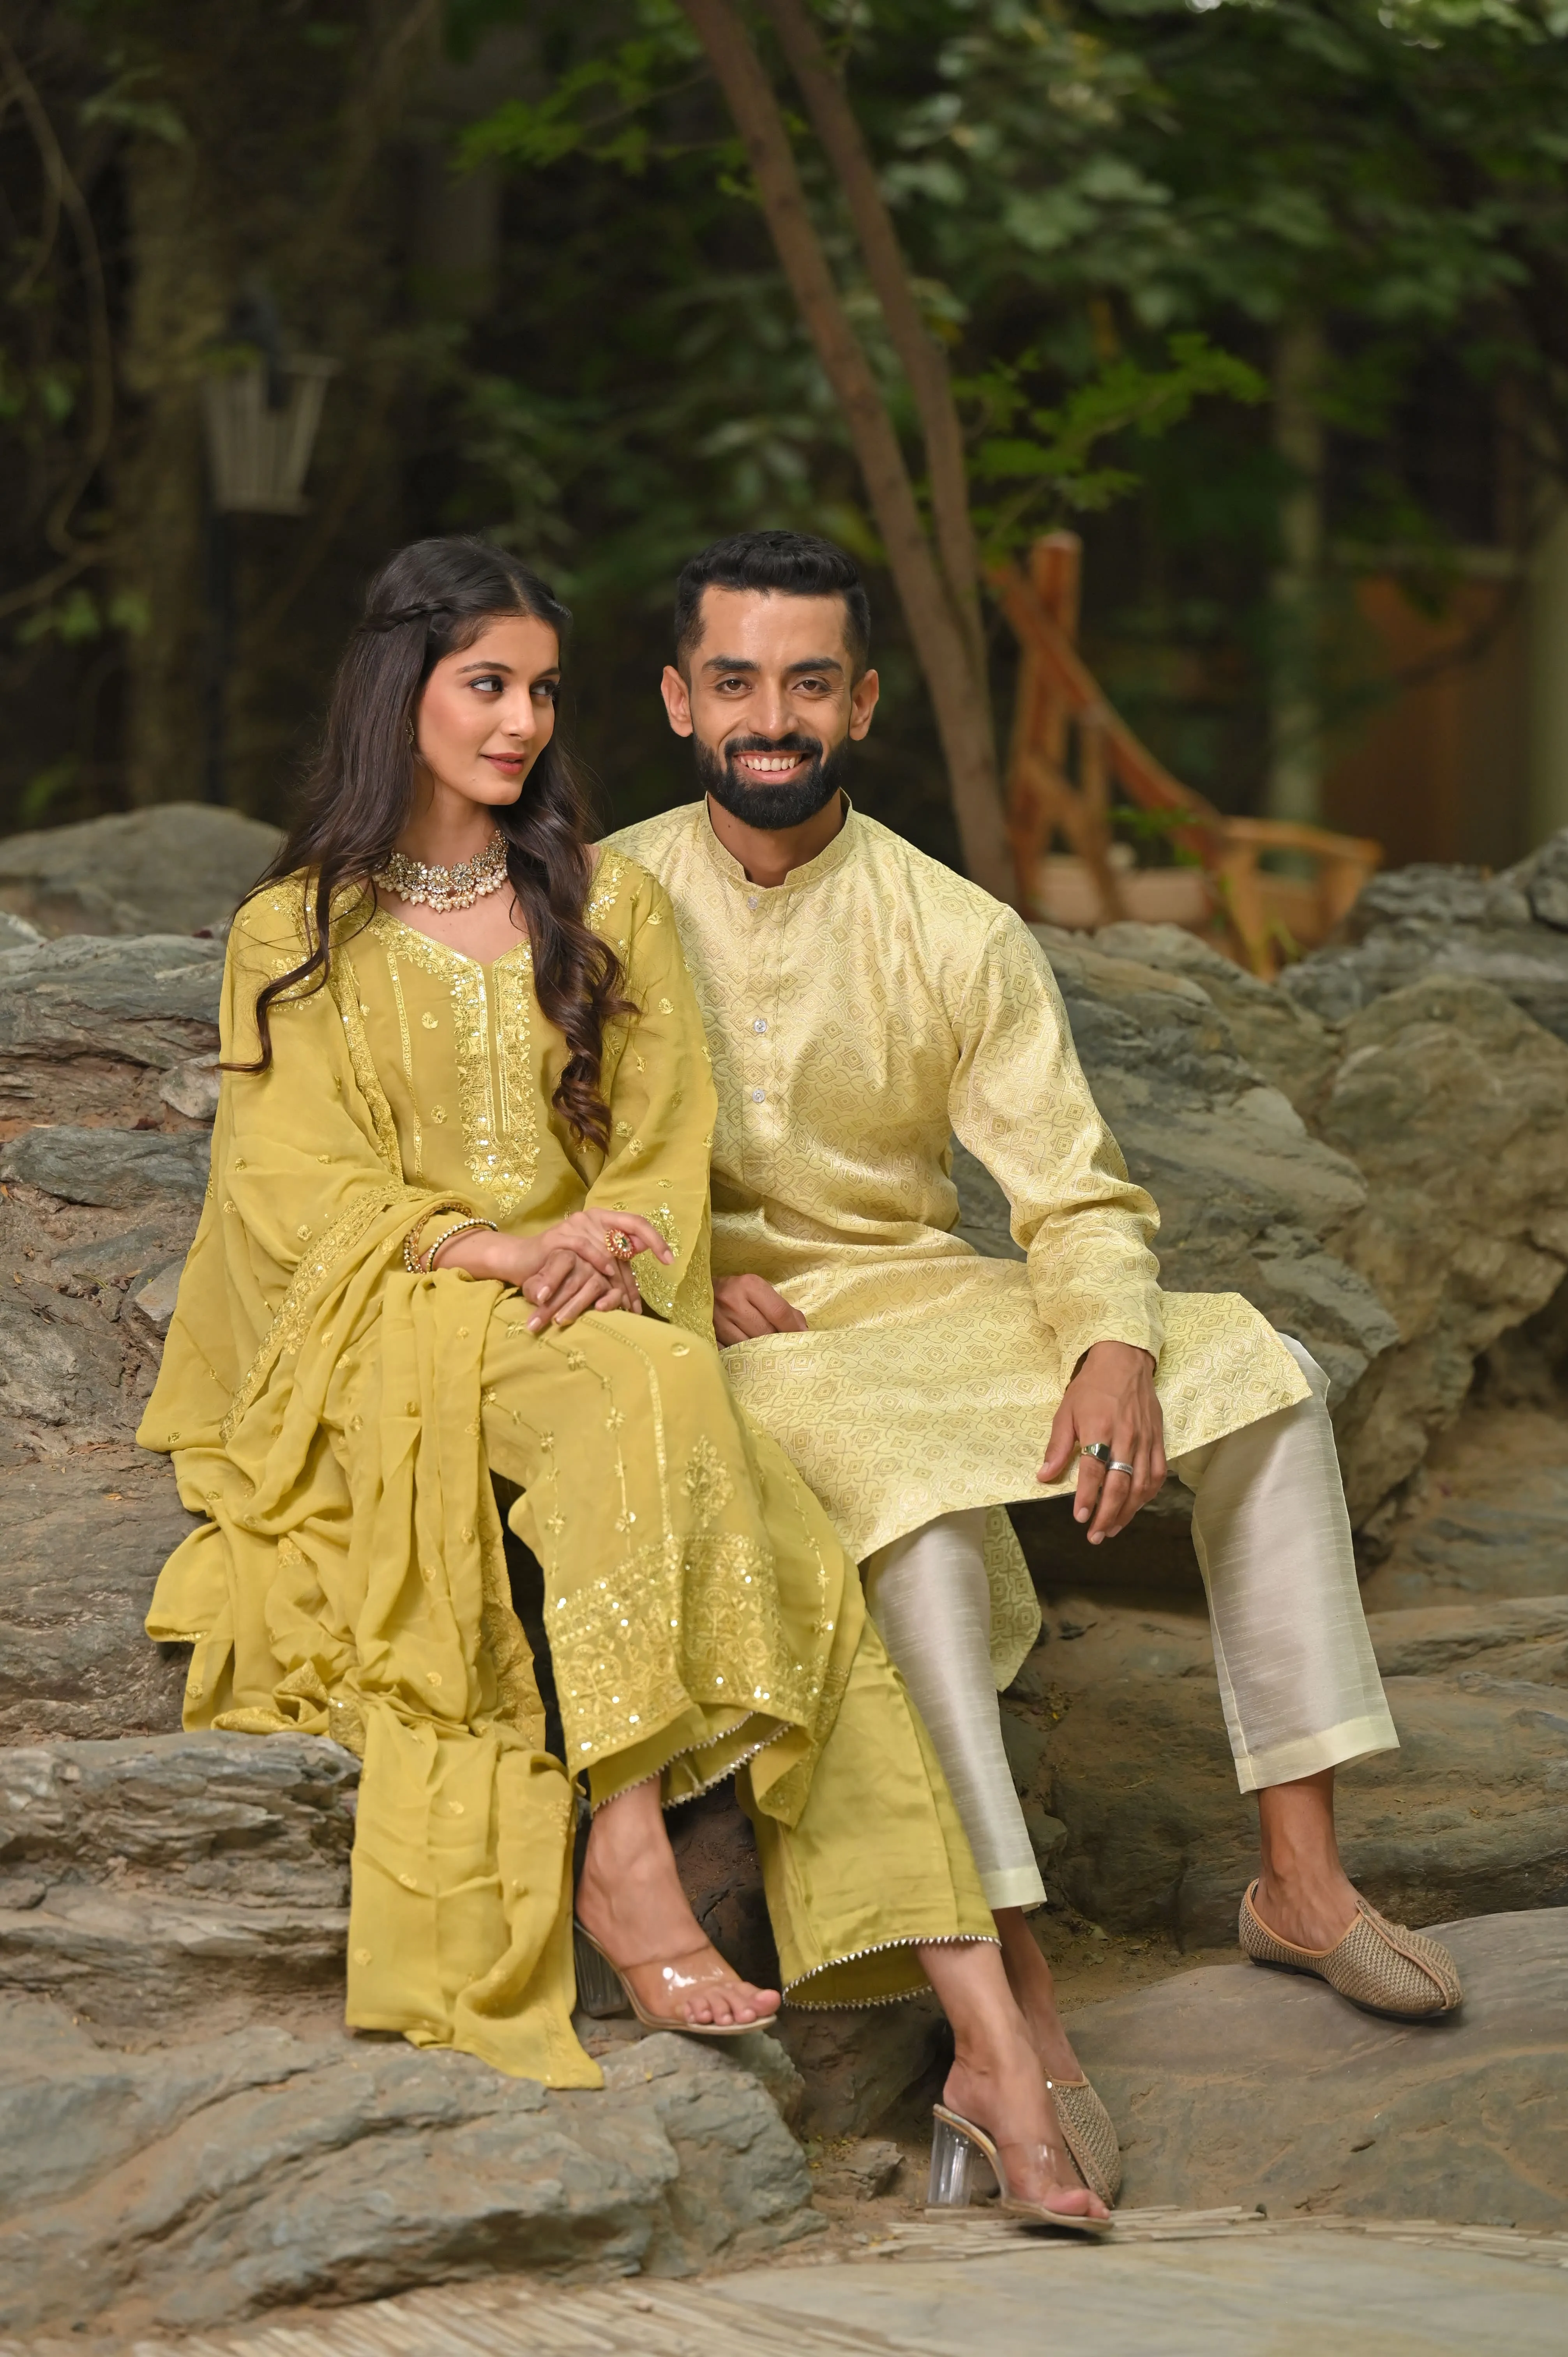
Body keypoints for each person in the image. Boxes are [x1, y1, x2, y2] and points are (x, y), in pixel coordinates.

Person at [139, 534, 1109, 2230]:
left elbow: (664, 1152)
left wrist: (607, 1240)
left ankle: (992, 2051)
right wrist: (501, 1252)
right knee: (657, 1401)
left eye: (540, 692)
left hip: (597, 1307)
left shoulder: (603, 898)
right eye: (486, 686)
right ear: (405, 694)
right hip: (403, 1321)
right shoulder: (292, 931)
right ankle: (634, 1847)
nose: (522, 724)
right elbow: (300, 1192)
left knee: (785, 1537)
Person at [608, 528, 1465, 2199]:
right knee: (915, 1524)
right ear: (674, 701)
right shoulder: (595, 902)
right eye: (733, 681)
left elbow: (1073, 1191)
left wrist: (1115, 1349)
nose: (768, 715)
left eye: (805, 682)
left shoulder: (955, 925)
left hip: (931, 1301)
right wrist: (683, 1258)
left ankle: (1298, 1875)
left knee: (1265, 1366)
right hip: (746, 1331)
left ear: (860, 700)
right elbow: (534, 1155)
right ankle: (1020, 2005)